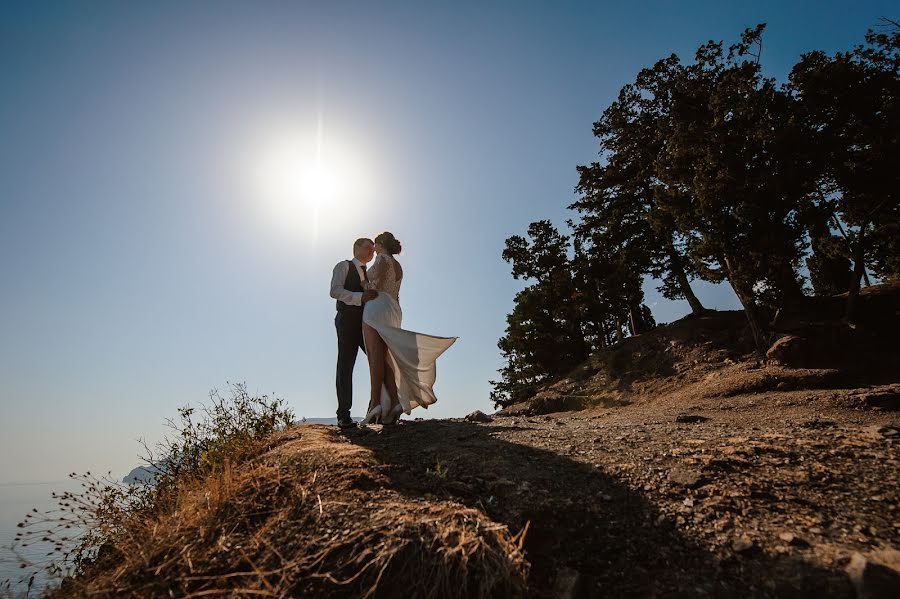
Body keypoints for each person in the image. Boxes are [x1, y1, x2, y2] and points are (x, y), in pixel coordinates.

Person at [361, 232, 457, 424]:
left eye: (375, 245)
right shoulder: (398, 266)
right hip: (394, 310)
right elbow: (394, 294)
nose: (374, 248)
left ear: (380, 245)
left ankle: (375, 406)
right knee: (387, 357)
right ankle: (394, 402)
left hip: (376, 307)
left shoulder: (381, 259)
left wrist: (363, 283)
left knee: (375, 357)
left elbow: (375, 286)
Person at [329, 238, 378, 429]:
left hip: (367, 323)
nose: (371, 253)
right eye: (368, 248)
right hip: (347, 320)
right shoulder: (343, 266)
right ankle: (343, 415)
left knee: (378, 361)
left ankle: (375, 410)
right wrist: (360, 297)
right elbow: (334, 291)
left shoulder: (371, 273)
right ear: (356, 248)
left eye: (373, 250)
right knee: (346, 365)